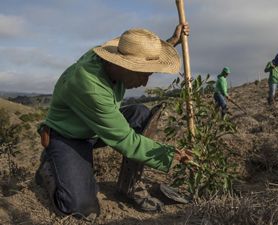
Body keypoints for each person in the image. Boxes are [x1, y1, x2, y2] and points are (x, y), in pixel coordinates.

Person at [35, 23, 191, 220]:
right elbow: (125, 140)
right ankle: (49, 167)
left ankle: (129, 186)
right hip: (69, 136)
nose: (144, 82)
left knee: (140, 114)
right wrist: (172, 155)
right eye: (142, 74)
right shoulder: (90, 85)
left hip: (95, 128)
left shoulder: (112, 59)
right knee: (82, 209)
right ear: (121, 64)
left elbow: (139, 57)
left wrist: (171, 43)